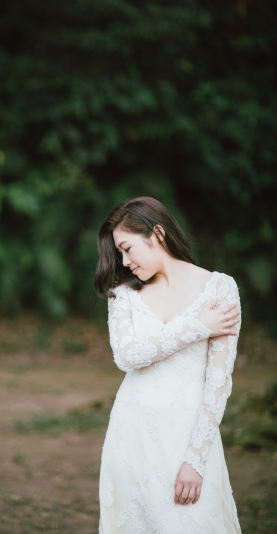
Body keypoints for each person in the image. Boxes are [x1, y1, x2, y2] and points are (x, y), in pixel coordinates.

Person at [94, 196, 242, 534]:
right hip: (130, 435)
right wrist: (197, 327)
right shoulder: (123, 293)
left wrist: (195, 459)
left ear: (157, 233)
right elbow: (126, 356)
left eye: (128, 248)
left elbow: (218, 383)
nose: (124, 261)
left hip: (187, 437)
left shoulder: (220, 289)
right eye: (119, 252)